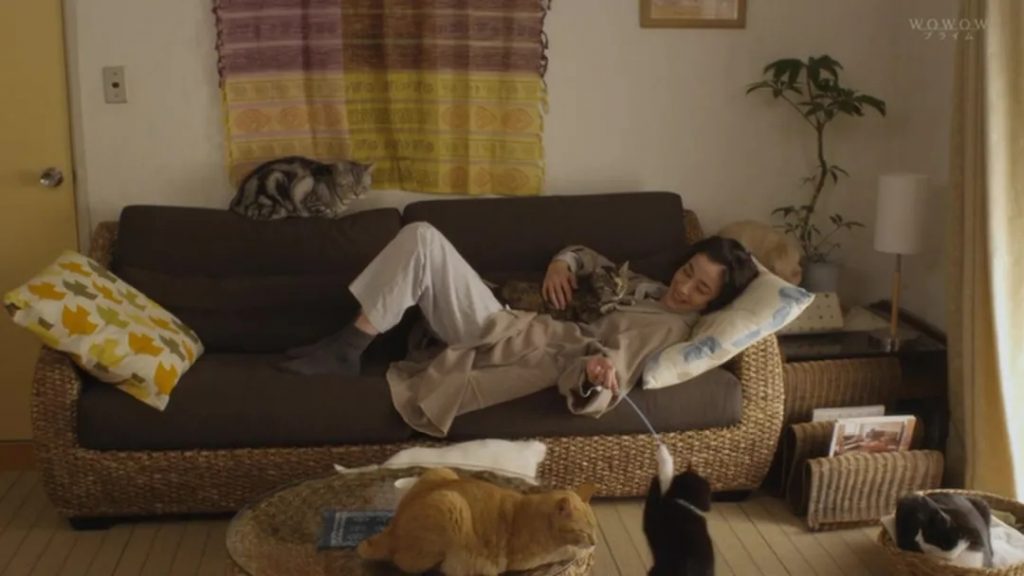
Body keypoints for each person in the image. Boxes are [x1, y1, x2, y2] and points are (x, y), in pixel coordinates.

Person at [280, 222, 758, 437]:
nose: (684, 287)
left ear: (713, 303)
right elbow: (588, 257)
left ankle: (348, 346)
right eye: (688, 270)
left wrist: (596, 372)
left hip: (516, 338)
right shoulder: (649, 287)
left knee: (423, 239)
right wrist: (560, 262)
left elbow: (617, 367)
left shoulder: (670, 330)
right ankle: (346, 344)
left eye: (700, 288)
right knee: (420, 241)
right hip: (509, 317)